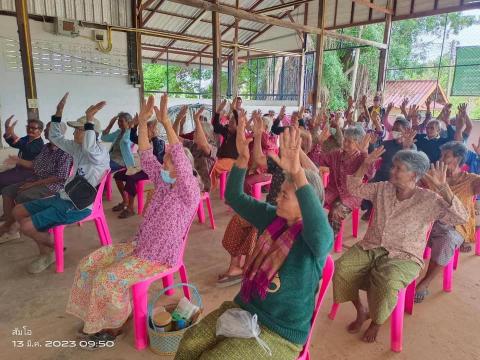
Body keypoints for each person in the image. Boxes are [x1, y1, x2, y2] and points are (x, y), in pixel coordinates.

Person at [175, 116, 333, 360]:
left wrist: (299, 174)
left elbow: (323, 235)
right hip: (246, 307)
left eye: (285, 195)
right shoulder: (273, 218)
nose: (277, 198)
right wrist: (243, 159)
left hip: (280, 333)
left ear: (304, 203)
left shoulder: (313, 239)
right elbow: (235, 197)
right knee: (189, 343)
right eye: (279, 193)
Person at [66, 94, 200, 349]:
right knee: (89, 263)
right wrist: (143, 123)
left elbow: (180, 159)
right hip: (139, 247)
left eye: (168, 161)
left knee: (107, 278)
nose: (163, 163)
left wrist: (167, 124)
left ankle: (114, 324)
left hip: (158, 256)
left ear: (180, 170)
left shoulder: (188, 192)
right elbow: (146, 156)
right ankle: (95, 317)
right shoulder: (163, 184)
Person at [333, 149, 468, 343]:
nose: (392, 171)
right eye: (394, 166)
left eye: (399, 169)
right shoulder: (383, 188)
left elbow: (461, 217)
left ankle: (376, 322)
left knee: (387, 282)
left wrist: (443, 188)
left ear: (414, 174)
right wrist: (364, 165)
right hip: (371, 246)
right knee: (343, 267)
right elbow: (354, 188)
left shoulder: (429, 199)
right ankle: (361, 310)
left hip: (404, 255)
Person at [11, 93, 110, 274]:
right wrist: (58, 113)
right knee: (18, 211)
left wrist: (89, 119)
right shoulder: (77, 147)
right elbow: (56, 138)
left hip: (79, 205)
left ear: (91, 133)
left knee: (26, 226)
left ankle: (54, 249)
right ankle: (49, 250)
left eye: (78, 130)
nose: (74, 133)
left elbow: (90, 148)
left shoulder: (99, 152)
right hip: (63, 196)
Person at [414, 142, 480, 302]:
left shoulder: (470, 180)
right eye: (441, 155)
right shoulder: (431, 174)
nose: (441, 159)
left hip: (455, 226)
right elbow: (413, 188)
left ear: (457, 159)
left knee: (447, 240)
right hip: (428, 221)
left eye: (446, 156)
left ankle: (425, 283)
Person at [0, 122, 72, 243]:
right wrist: (18, 160)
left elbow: (59, 177)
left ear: (57, 133)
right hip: (37, 179)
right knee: (7, 191)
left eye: (47, 130)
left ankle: (12, 228)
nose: (45, 132)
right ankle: (10, 224)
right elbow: (34, 165)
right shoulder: (46, 147)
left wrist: (32, 184)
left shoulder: (65, 151)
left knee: (23, 195)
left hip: (52, 186)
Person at [309, 126, 376, 236]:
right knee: (312, 201)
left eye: (350, 142)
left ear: (358, 143)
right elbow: (316, 160)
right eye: (345, 140)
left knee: (335, 212)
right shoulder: (336, 154)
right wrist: (319, 143)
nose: (345, 144)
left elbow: (371, 173)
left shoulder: (361, 158)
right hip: (332, 190)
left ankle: (328, 239)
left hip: (351, 195)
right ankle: (311, 231)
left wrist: (364, 153)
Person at [361, 117, 417, 220]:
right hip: (381, 175)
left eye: (398, 129)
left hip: (397, 179)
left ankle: (380, 213)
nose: (394, 131)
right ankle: (371, 210)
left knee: (385, 192)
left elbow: (409, 164)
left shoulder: (411, 146)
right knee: (369, 187)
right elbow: (374, 155)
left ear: (406, 131)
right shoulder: (387, 144)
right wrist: (372, 144)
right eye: (394, 129)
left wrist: (406, 147)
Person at [112, 115, 166, 218]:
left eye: (147, 130)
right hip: (142, 169)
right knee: (118, 176)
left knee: (131, 179)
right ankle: (125, 201)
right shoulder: (143, 140)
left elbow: (157, 158)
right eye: (144, 130)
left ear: (154, 131)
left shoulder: (159, 143)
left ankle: (130, 208)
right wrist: (135, 125)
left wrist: (152, 139)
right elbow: (132, 137)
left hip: (152, 172)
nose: (144, 132)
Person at [0, 116, 44, 198]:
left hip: (29, 173)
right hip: (18, 170)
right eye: (28, 127)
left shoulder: (39, 143)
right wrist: (7, 130)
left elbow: (25, 147)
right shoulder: (27, 138)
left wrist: (12, 133)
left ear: (40, 131)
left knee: (2, 179)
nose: (30, 129)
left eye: (33, 128)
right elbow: (14, 143)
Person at [210, 99, 239, 190]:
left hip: (232, 161)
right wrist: (218, 111)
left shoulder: (239, 135)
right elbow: (216, 126)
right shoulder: (226, 131)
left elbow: (239, 121)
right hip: (222, 158)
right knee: (208, 163)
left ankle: (208, 188)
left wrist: (234, 109)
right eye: (230, 121)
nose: (230, 123)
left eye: (233, 122)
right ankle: (208, 186)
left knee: (213, 167)